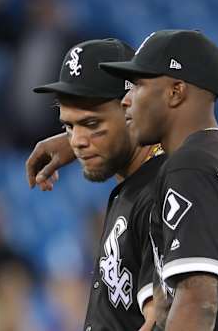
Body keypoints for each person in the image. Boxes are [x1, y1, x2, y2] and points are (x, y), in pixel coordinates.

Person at [100, 29, 218, 330]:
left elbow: (199, 301)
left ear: (176, 92)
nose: (126, 100)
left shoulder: (189, 166)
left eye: (139, 85)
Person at [25, 38, 165, 331]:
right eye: (68, 125)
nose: (77, 141)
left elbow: (164, 319)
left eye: (91, 124)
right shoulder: (137, 183)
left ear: (132, 109)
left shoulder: (162, 195)